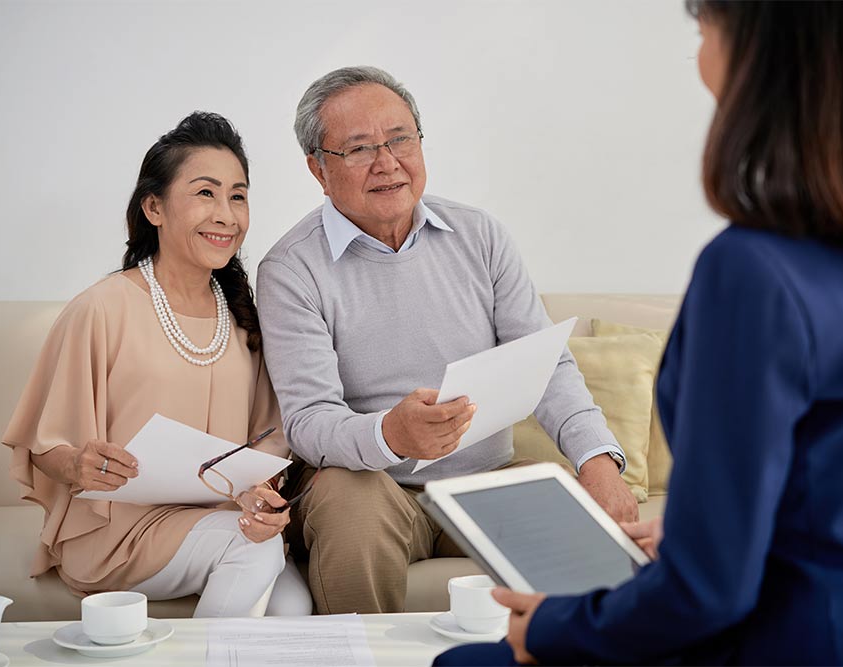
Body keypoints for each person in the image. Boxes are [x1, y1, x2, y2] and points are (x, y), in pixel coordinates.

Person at [434, 1, 843, 664]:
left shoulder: (751, 272)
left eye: (703, 26)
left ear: (752, 54)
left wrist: (552, 627)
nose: (698, 49)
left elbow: (710, 590)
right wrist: (686, 528)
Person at [256, 66, 638, 615]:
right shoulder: (291, 269)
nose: (388, 163)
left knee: (581, 533)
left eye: (400, 139)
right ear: (318, 169)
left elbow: (547, 365)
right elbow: (309, 421)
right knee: (347, 501)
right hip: (373, 485)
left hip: (486, 479)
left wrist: (598, 461)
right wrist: (392, 434)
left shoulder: (481, 236)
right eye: (359, 148)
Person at [2, 112, 312, 618]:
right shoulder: (101, 308)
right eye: (205, 193)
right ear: (154, 207)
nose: (226, 214)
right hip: (118, 530)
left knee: (295, 607)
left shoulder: (244, 316)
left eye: (237, 196)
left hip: (218, 522)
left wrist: (260, 493)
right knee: (253, 552)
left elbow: (267, 437)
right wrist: (80, 464)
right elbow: (44, 446)